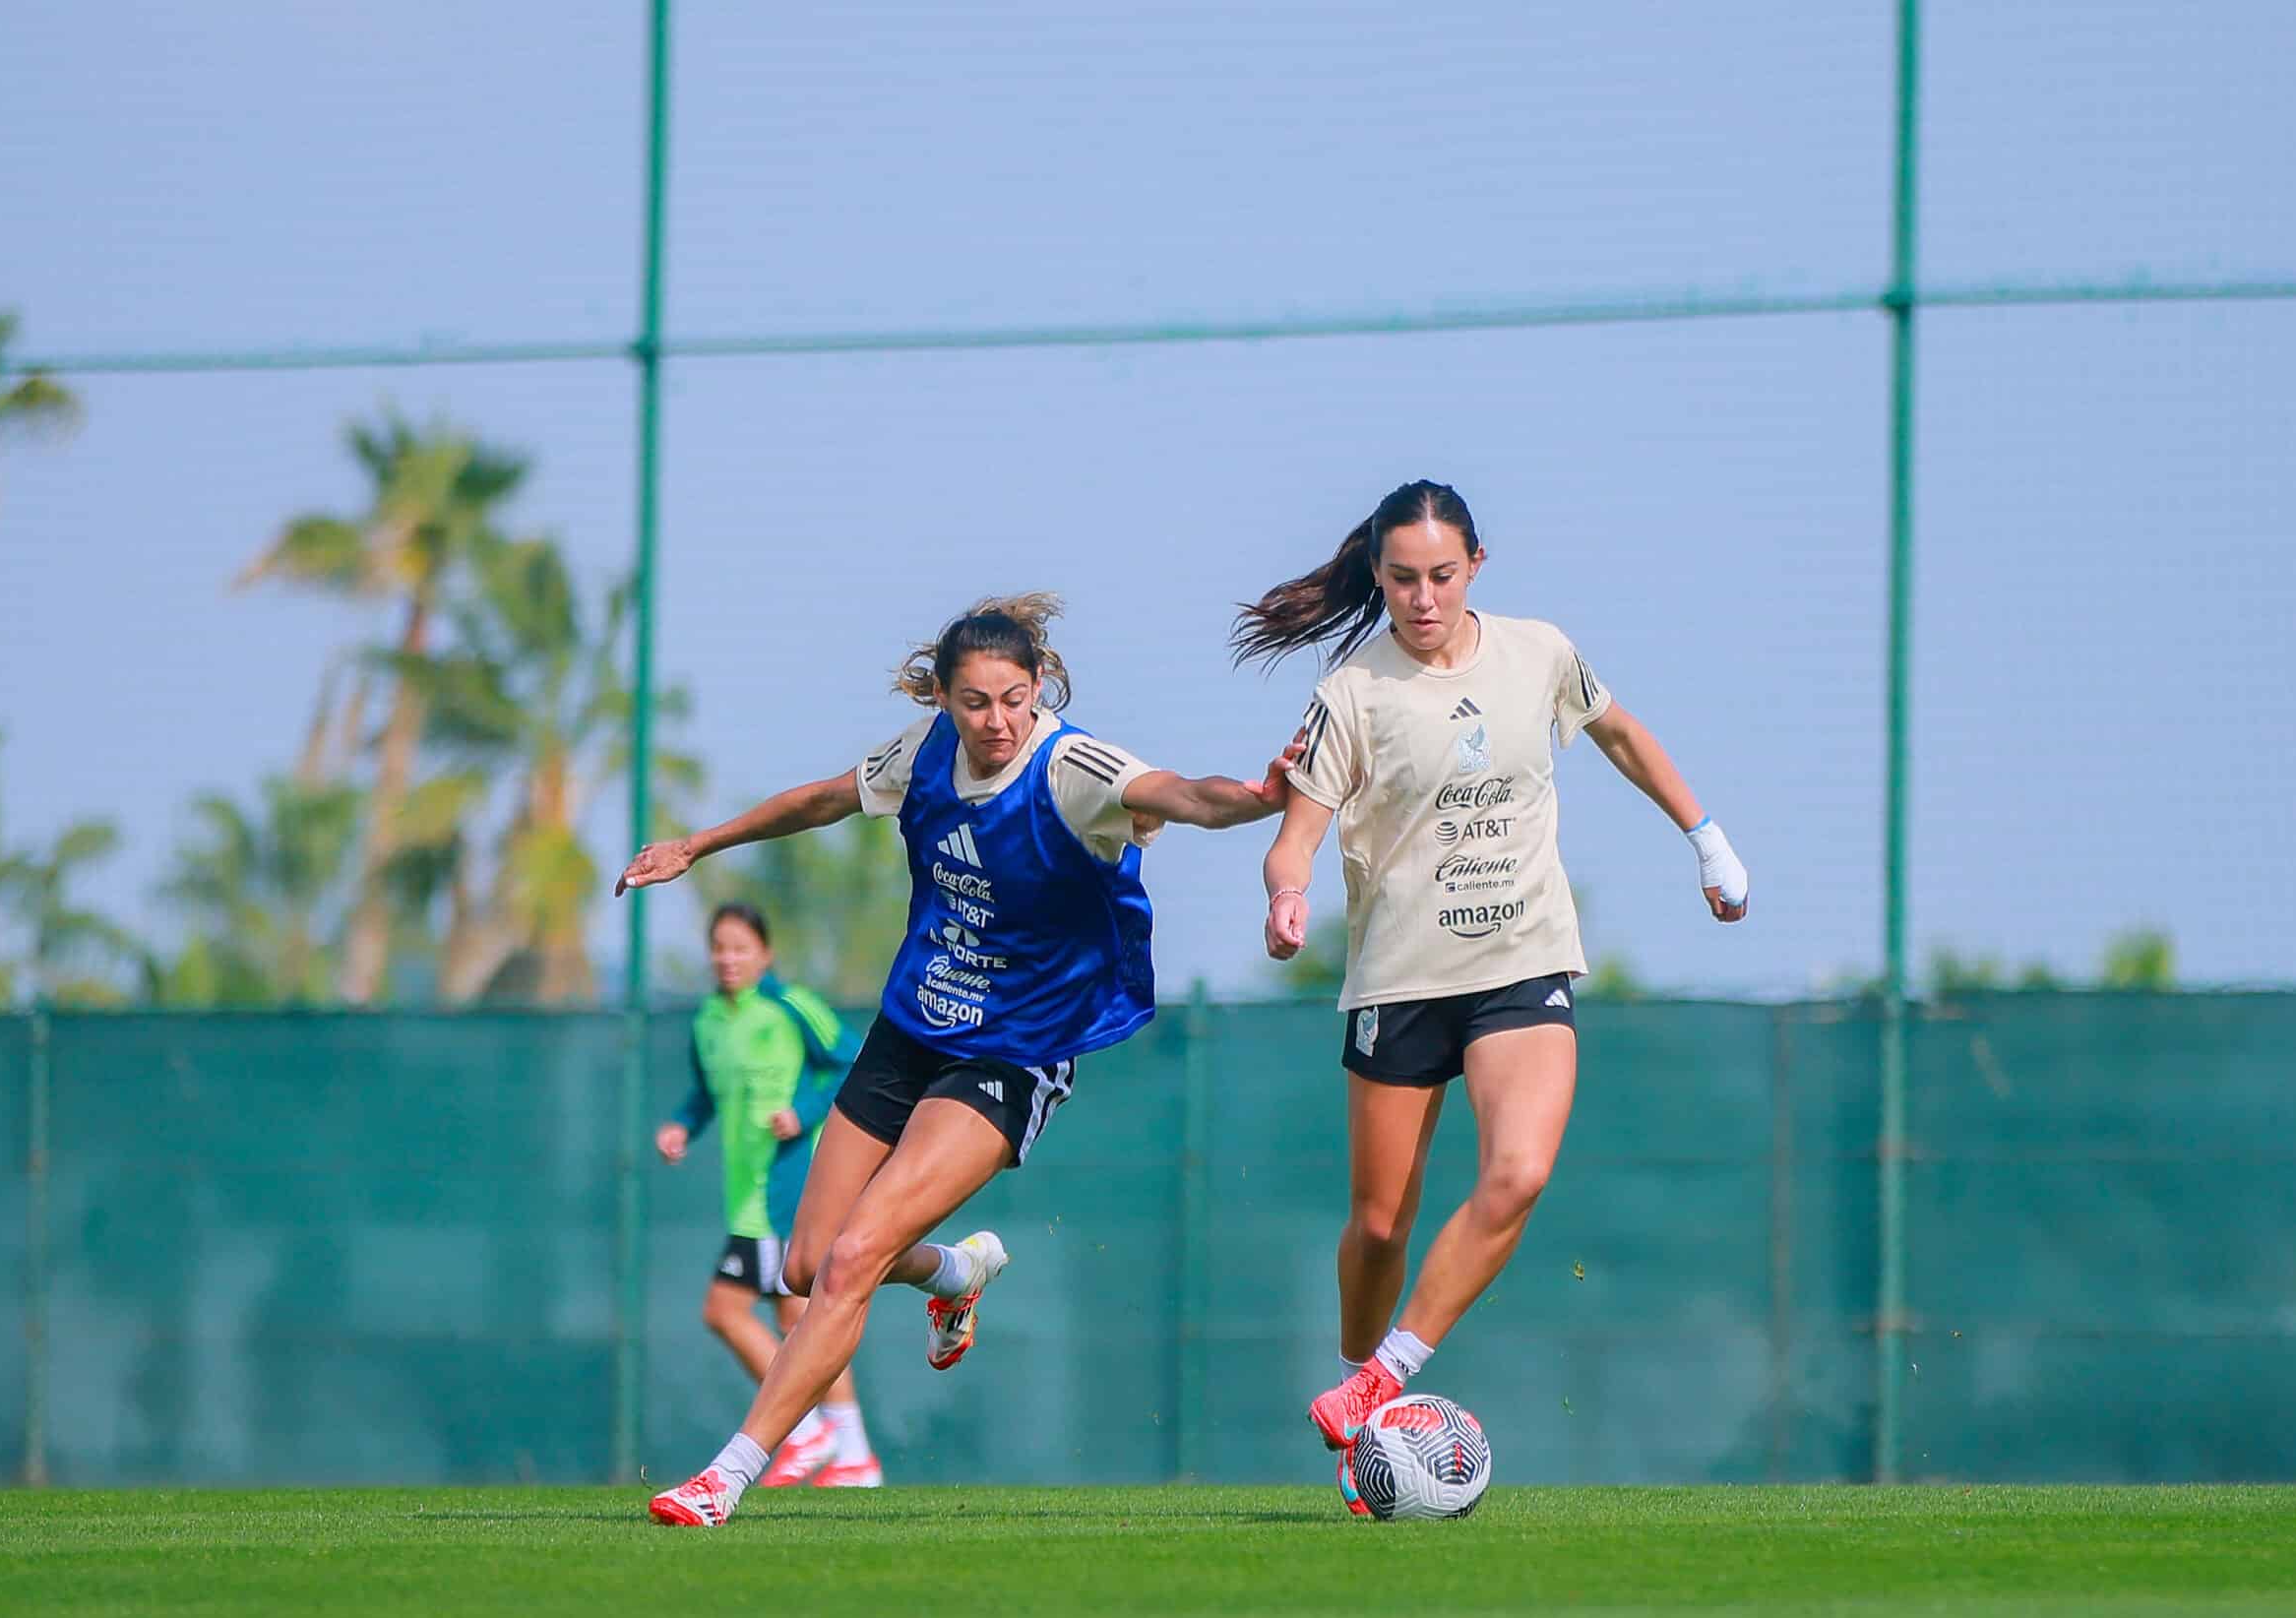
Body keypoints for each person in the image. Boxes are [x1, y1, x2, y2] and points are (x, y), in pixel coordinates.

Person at [617, 593, 1299, 1525]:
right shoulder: (923, 751)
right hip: (912, 1028)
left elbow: (1180, 794)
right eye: (975, 702)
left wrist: (1258, 800)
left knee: (857, 1253)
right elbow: (821, 798)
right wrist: (698, 845)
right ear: (943, 699)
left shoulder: (1071, 767)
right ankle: (951, 1272)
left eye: (1014, 698)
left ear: (1039, 687)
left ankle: (725, 1474)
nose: (998, 721)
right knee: (809, 1266)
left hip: (1016, 1048)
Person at [1234, 479, 1749, 1497]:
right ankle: (1359, 1384)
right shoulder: (1352, 692)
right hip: (1400, 977)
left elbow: (1621, 734)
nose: (1421, 598)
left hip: (1522, 962)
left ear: (1475, 563)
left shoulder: (1539, 653)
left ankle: (1383, 1375)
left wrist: (1706, 837)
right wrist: (1287, 897)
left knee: (1518, 1172)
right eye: (1399, 580)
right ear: (1375, 576)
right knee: (1379, 1222)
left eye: (1439, 575)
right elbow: (1293, 834)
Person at [657, 901, 881, 1488]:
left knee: (733, 1308)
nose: (728, 959)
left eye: (740, 947)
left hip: (790, 1188)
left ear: (765, 953)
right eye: (720, 948)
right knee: (797, 1314)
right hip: (746, 1193)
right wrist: (682, 1125)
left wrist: (804, 1112)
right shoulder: (708, 1019)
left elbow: (857, 1058)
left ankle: (812, 1432)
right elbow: (706, 1093)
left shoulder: (790, 1006)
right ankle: (852, 1453)